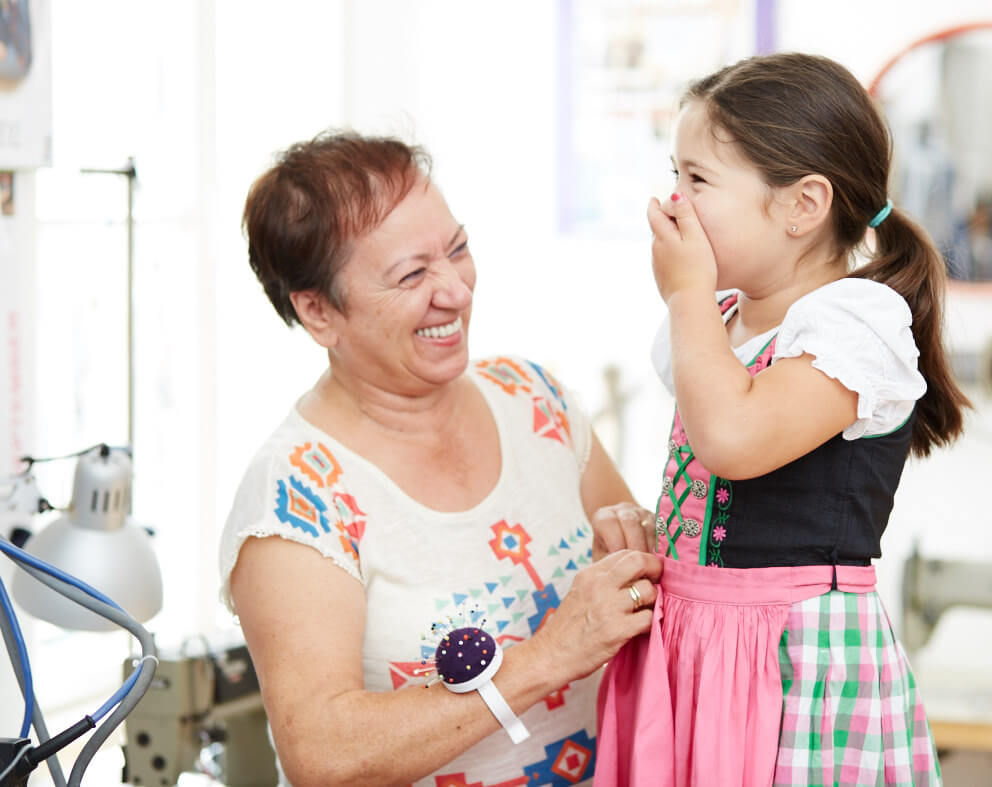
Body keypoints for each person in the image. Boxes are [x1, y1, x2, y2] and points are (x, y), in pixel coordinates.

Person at [217, 130, 663, 787]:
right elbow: (322, 754)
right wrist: (547, 655)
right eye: (412, 274)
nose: (455, 290)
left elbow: (635, 584)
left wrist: (635, 539)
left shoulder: (534, 398)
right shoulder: (296, 496)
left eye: (457, 249)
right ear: (318, 312)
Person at [594, 53, 971, 786]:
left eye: (696, 180)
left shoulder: (855, 322)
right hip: (694, 648)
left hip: (790, 659)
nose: (672, 203)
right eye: (675, 176)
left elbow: (732, 440)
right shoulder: (723, 324)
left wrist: (684, 298)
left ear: (802, 205)